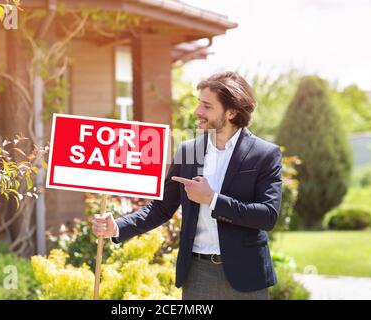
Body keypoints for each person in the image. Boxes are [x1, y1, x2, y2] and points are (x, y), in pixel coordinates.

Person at [92, 71, 283, 300]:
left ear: (231, 112)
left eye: (207, 106)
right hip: (198, 275)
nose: (197, 112)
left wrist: (212, 199)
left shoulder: (264, 155)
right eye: (198, 104)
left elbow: (267, 216)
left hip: (246, 276)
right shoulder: (189, 151)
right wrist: (118, 227)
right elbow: (161, 208)